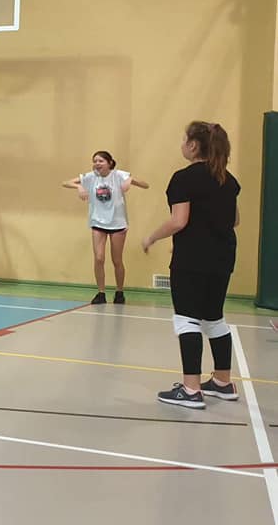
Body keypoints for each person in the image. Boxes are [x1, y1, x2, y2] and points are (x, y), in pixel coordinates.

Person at [142, 121, 240, 409]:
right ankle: (222, 382)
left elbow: (179, 221)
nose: (182, 144)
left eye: (184, 139)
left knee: (187, 320)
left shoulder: (184, 178)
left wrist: (151, 237)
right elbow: (235, 220)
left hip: (193, 258)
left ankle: (191, 389)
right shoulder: (228, 179)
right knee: (214, 319)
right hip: (223, 256)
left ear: (193, 146)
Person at [63, 151, 149, 304]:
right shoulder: (91, 177)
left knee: (117, 260)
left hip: (117, 223)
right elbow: (65, 182)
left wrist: (131, 179)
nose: (97, 163)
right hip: (98, 223)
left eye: (101, 161)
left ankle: (119, 292)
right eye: (95, 161)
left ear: (109, 163)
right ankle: (101, 293)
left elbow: (146, 185)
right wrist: (79, 187)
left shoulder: (119, 175)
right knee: (99, 258)